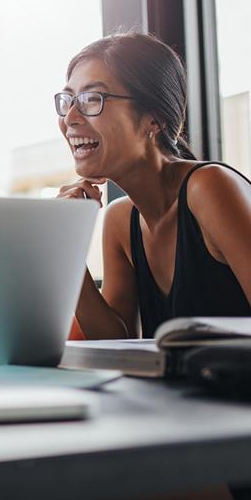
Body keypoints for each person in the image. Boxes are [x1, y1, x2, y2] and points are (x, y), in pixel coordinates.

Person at [56, 32, 251, 340]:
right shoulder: (121, 221)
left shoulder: (209, 188)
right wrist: (66, 244)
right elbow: (116, 344)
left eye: (93, 99)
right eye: (67, 101)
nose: (70, 117)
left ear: (153, 118)